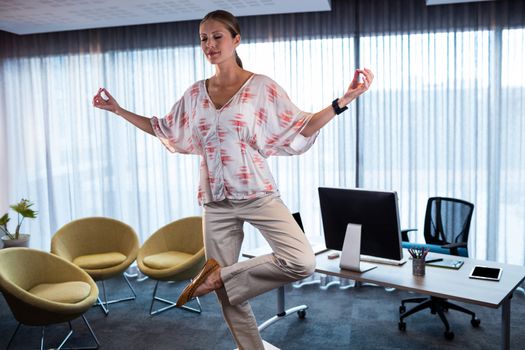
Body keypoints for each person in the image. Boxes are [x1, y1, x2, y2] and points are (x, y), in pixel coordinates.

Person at [93, 9, 373, 350]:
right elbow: (162, 128)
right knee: (230, 299)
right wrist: (118, 110)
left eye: (217, 37)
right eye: (203, 39)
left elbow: (301, 126)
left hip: (258, 193)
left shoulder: (262, 88)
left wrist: (343, 101)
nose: (209, 44)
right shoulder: (195, 94)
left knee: (301, 260)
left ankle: (217, 277)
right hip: (215, 202)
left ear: (236, 40)